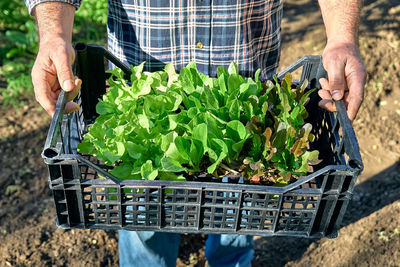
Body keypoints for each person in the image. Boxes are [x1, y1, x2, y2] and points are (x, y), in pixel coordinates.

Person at [25, 0, 366, 266]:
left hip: (245, 85)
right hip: (144, 83)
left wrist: (341, 38)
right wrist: (54, 34)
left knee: (240, 209)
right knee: (143, 216)